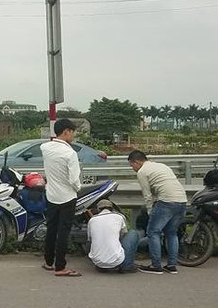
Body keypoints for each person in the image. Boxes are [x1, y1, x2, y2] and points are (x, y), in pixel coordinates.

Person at [127, 150, 187, 274]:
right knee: (171, 233)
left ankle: (156, 266)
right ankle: (171, 265)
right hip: (182, 200)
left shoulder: (142, 172)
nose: (132, 168)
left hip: (166, 201)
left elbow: (147, 195)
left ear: (137, 162)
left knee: (153, 232)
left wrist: (150, 211)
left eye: (131, 165)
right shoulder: (161, 166)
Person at [40, 118, 82, 276]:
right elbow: (73, 180)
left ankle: (49, 262)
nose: (73, 136)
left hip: (51, 195)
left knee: (51, 229)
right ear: (66, 132)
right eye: (72, 133)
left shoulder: (45, 148)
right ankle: (60, 267)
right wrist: (78, 188)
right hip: (67, 197)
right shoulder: (70, 153)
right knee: (63, 232)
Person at [87, 199, 145, 273]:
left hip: (98, 262)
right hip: (116, 260)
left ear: (98, 209)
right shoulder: (119, 217)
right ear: (112, 208)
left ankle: (101, 265)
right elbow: (123, 235)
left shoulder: (92, 220)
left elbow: (90, 239)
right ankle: (127, 265)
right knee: (133, 233)